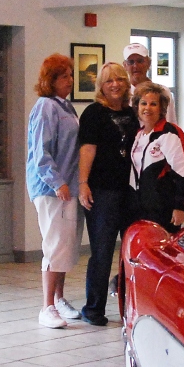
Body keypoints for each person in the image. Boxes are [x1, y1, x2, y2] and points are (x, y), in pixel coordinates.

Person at [77, 61, 139, 325]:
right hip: (102, 191)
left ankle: (129, 307)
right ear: (101, 86)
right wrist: (83, 183)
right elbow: (87, 150)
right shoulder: (93, 113)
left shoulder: (133, 112)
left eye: (120, 80)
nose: (115, 85)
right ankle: (93, 309)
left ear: (126, 83)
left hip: (131, 192)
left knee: (130, 252)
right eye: (109, 81)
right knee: (102, 252)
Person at [26, 53, 83, 329]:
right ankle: (47, 306)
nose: (69, 80)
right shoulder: (45, 107)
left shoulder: (66, 106)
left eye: (71, 75)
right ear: (50, 80)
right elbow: (41, 153)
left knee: (65, 248)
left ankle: (59, 299)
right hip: (52, 189)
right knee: (54, 245)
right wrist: (57, 182)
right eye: (63, 76)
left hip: (68, 186)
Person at [130, 81, 184, 233]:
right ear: (137, 106)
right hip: (143, 208)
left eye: (153, 104)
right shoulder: (139, 135)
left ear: (161, 108)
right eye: (143, 103)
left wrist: (180, 207)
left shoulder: (169, 133)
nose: (147, 108)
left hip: (164, 210)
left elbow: (182, 171)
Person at [123, 42, 178, 125]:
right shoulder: (122, 94)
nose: (135, 66)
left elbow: (170, 123)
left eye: (140, 61)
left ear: (148, 63)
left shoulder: (163, 92)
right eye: (131, 62)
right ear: (125, 66)